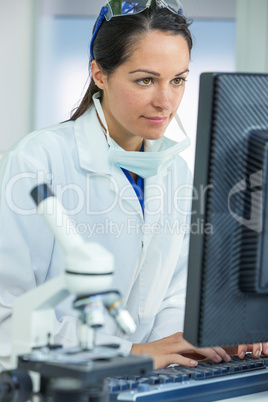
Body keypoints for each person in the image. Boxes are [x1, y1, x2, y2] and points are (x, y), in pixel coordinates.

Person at [0, 0, 266, 371]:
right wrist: (129, 355)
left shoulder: (174, 171)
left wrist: (193, 346)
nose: (166, 101)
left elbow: (176, 293)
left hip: (143, 384)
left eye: (178, 80)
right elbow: (6, 314)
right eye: (145, 80)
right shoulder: (36, 162)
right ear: (100, 75)